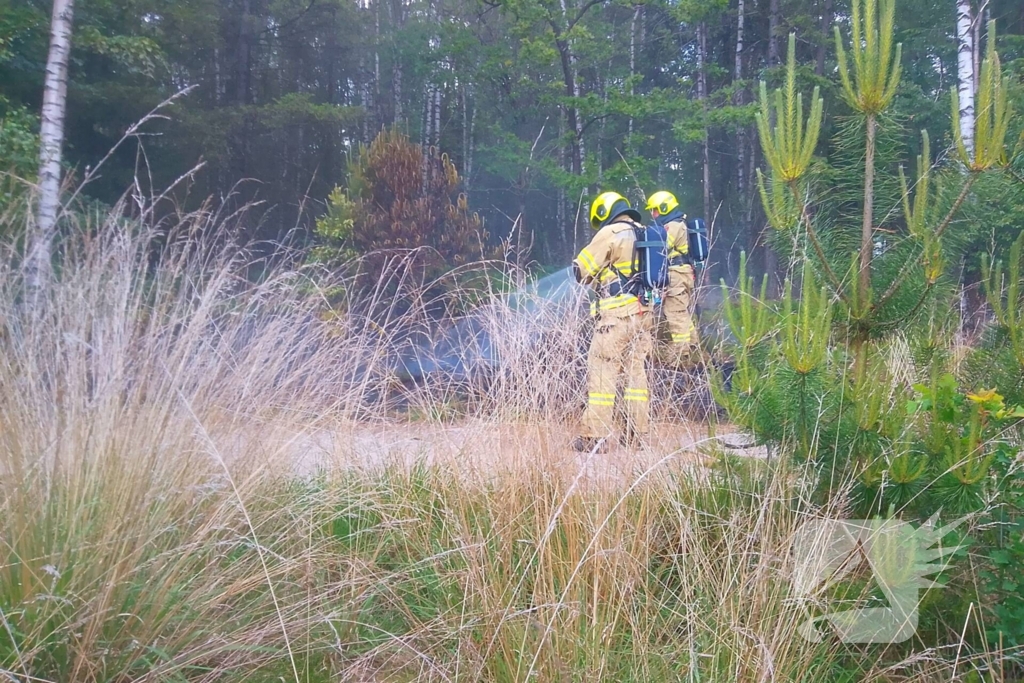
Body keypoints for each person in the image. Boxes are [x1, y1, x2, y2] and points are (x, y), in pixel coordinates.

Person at [571, 191, 654, 452]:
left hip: (615, 318)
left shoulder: (611, 233)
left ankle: (593, 437)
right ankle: (636, 435)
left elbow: (581, 270)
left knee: (602, 375)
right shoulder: (646, 232)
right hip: (643, 316)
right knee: (635, 380)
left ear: (604, 212)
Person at [645, 190, 697, 366]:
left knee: (675, 313)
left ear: (664, 207)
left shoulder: (673, 226)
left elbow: (662, 247)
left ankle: (681, 355)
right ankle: (693, 345)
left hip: (676, 274)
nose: (653, 214)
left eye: (655, 210)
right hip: (681, 272)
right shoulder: (678, 222)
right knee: (681, 311)